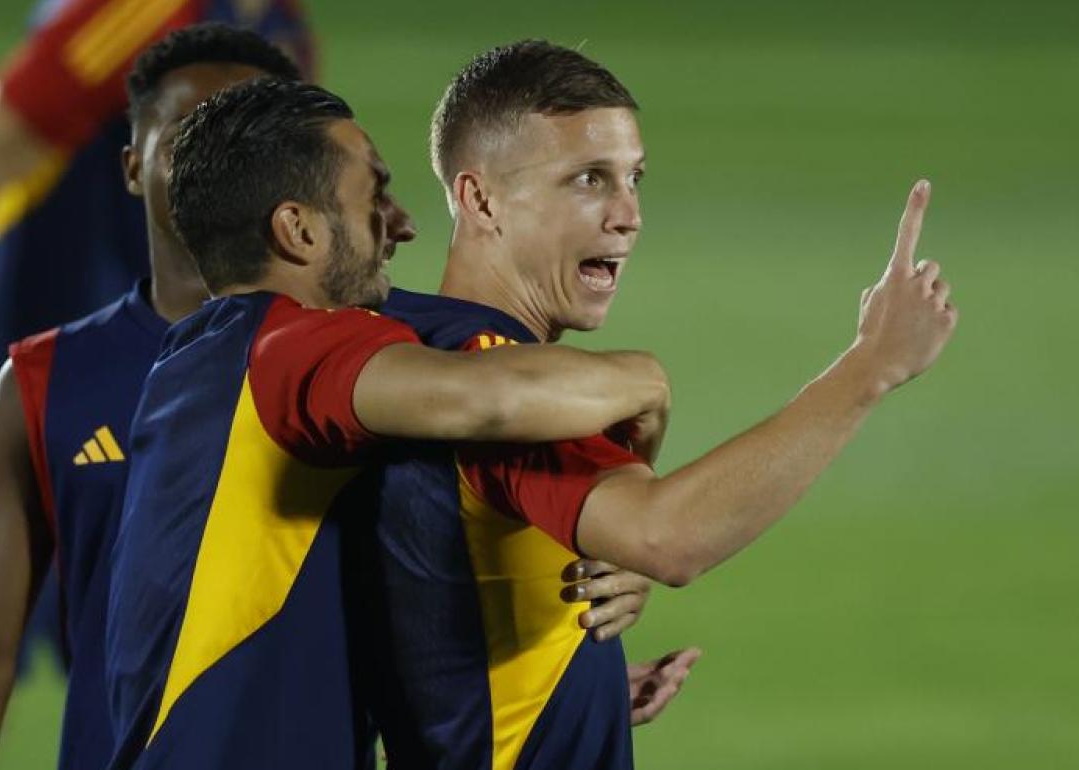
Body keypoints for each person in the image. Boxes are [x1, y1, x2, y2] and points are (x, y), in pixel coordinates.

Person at [359, 39, 958, 769]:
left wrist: (585, 682)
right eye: (588, 180)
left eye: (634, 178)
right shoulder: (498, 390)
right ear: (479, 198)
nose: (629, 214)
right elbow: (667, 539)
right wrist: (870, 366)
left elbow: (441, 594)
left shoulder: (399, 347)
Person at [103, 77, 675, 770]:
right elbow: (487, 399)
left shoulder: (209, 367)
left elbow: (400, 557)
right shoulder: (282, 349)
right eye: (374, 196)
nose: (401, 223)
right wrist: (647, 382)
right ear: (299, 229)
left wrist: (576, 634)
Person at [0, 24, 309, 770]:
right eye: (191, 133)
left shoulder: (374, 366)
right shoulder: (44, 382)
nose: (219, 161)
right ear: (133, 165)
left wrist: (609, 558)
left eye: (251, 137)